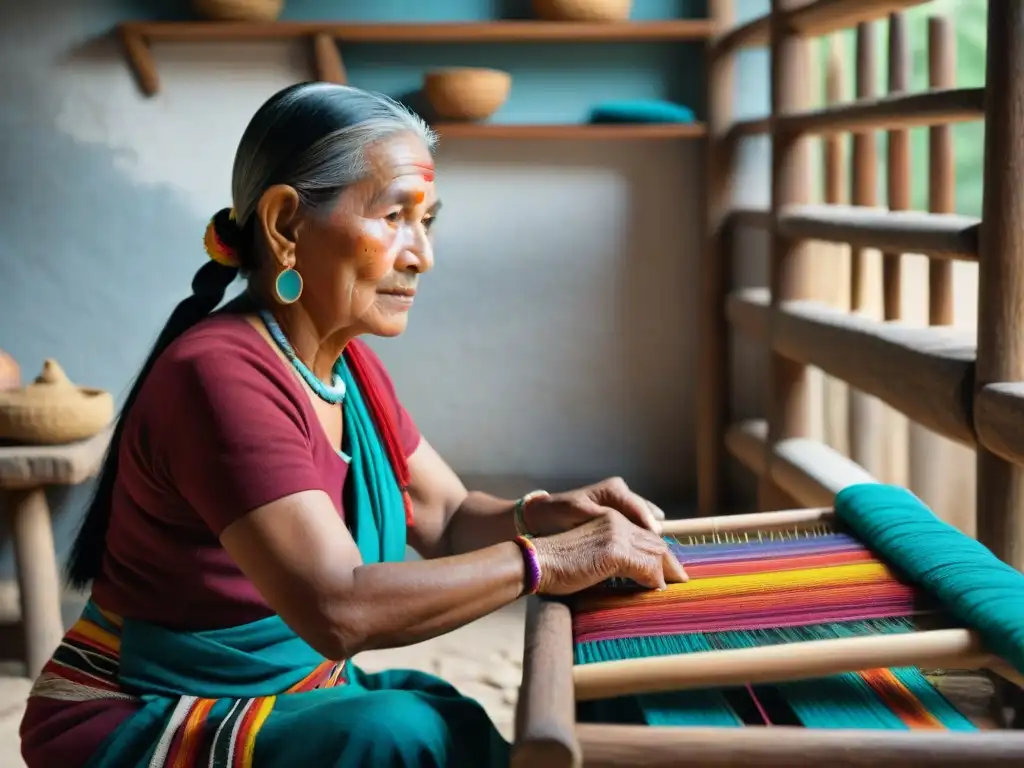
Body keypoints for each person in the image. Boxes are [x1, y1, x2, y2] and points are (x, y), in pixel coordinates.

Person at [19, 82, 688, 768]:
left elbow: (451, 515)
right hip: (151, 713)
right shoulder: (218, 376)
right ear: (284, 225)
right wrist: (549, 560)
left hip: (282, 686)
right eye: (396, 215)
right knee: (397, 733)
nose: (421, 254)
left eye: (428, 221)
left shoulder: (349, 368)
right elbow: (337, 609)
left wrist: (546, 515)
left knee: (441, 715)